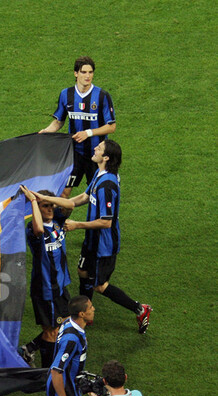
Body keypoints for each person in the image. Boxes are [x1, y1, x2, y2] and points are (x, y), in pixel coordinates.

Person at [34, 140, 152, 334]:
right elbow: (84, 197)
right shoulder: (99, 173)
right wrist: (54, 202)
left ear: (106, 157)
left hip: (104, 244)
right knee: (82, 271)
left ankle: (140, 309)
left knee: (99, 285)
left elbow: (106, 222)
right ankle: (84, 314)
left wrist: (77, 225)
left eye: (100, 148)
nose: (95, 148)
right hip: (92, 239)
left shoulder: (107, 185)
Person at [39, 56, 116, 199]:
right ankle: (62, 214)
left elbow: (111, 127)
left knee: (96, 195)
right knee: (63, 194)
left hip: (96, 155)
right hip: (75, 154)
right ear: (76, 73)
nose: (88, 76)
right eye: (83, 72)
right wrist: (46, 131)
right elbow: (59, 121)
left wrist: (88, 133)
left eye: (90, 72)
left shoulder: (102, 96)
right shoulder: (66, 94)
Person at [19, 186, 72, 368]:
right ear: (37, 209)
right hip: (46, 289)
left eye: (51, 206)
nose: (50, 209)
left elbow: (70, 205)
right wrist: (34, 201)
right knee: (51, 333)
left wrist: (46, 199)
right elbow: (39, 230)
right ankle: (46, 373)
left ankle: (29, 349)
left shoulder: (57, 220)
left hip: (60, 285)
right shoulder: (32, 229)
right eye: (45, 206)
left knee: (65, 324)